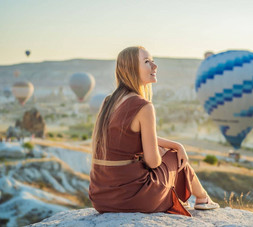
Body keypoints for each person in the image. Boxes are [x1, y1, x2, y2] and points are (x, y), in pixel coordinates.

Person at [88, 46, 219, 217]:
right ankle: (202, 198)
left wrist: (176, 144)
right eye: (147, 62)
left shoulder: (109, 102)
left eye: (153, 61)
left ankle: (201, 197)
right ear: (131, 69)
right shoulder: (143, 106)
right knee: (171, 155)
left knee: (170, 150)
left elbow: (129, 137)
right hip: (132, 199)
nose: (155, 66)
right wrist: (167, 150)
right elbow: (153, 163)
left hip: (101, 198)